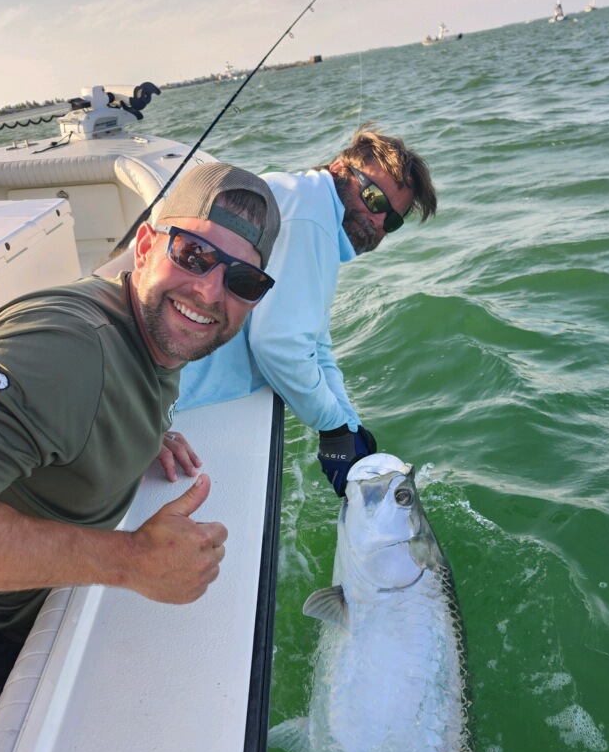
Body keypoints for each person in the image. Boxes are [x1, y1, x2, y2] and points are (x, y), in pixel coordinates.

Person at [0, 161, 281, 752]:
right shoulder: (67, 349)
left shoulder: (145, 335)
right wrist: (127, 560)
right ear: (144, 244)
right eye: (192, 254)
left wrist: (134, 430)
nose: (211, 291)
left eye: (242, 279)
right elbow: (64, 371)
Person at [178, 124, 437, 496]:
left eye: (392, 221)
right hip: (188, 398)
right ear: (339, 170)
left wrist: (349, 425)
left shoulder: (310, 207)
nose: (378, 222)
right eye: (375, 200)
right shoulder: (310, 217)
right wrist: (330, 428)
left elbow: (315, 340)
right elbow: (278, 344)